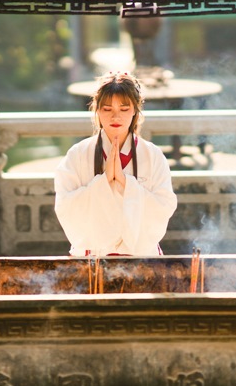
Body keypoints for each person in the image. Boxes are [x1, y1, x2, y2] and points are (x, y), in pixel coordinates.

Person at [54, 71, 177, 256]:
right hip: (92, 257)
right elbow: (65, 206)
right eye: (107, 109)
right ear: (97, 110)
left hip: (140, 257)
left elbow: (164, 206)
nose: (115, 117)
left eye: (124, 109)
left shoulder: (153, 155)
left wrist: (124, 181)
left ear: (135, 109)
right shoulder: (77, 154)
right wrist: (103, 182)